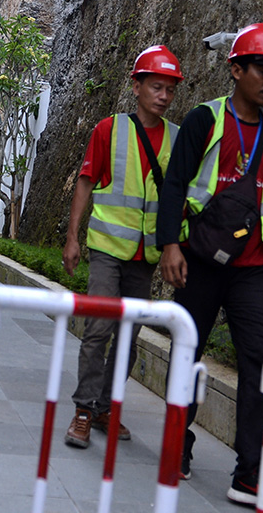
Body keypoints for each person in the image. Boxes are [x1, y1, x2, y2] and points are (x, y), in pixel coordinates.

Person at [156, 23, 263, 510]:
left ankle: (250, 475)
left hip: (253, 266)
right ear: (236, 70)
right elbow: (175, 183)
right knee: (189, 353)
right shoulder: (206, 120)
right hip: (199, 257)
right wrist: (170, 246)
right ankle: (177, 446)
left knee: (261, 358)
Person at [62, 45, 183, 448]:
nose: (163, 96)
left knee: (130, 337)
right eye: (156, 87)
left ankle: (104, 408)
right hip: (107, 250)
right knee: (98, 328)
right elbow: (85, 181)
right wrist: (72, 237)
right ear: (136, 86)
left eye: (169, 89)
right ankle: (82, 409)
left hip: (145, 257)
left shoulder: (177, 140)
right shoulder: (109, 130)